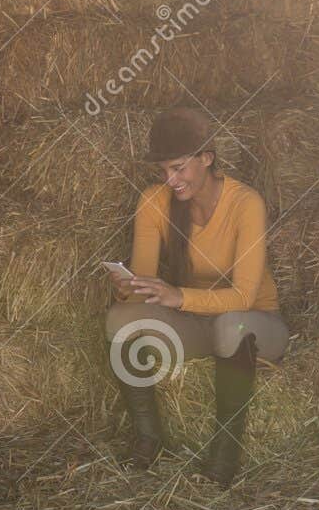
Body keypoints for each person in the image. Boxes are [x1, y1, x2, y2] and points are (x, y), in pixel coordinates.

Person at [103, 106, 288, 487]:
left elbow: (243, 296)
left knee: (228, 325)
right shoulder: (154, 201)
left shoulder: (246, 203)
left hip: (253, 324)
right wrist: (130, 287)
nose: (170, 179)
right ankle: (149, 439)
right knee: (119, 319)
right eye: (164, 170)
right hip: (197, 323)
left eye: (179, 168)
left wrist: (177, 298)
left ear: (207, 158)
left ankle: (225, 454)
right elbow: (146, 278)